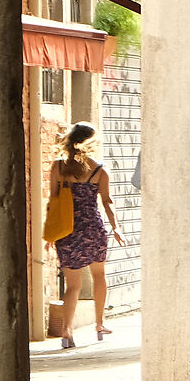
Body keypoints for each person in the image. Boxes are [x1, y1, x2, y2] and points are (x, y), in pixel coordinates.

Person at [49, 122, 124, 349]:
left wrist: (50, 233)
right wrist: (116, 227)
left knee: (72, 286)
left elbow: (53, 200)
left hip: (67, 230)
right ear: (91, 142)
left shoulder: (58, 167)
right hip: (92, 228)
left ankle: (66, 331)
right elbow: (107, 201)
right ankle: (99, 324)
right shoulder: (99, 170)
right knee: (99, 275)